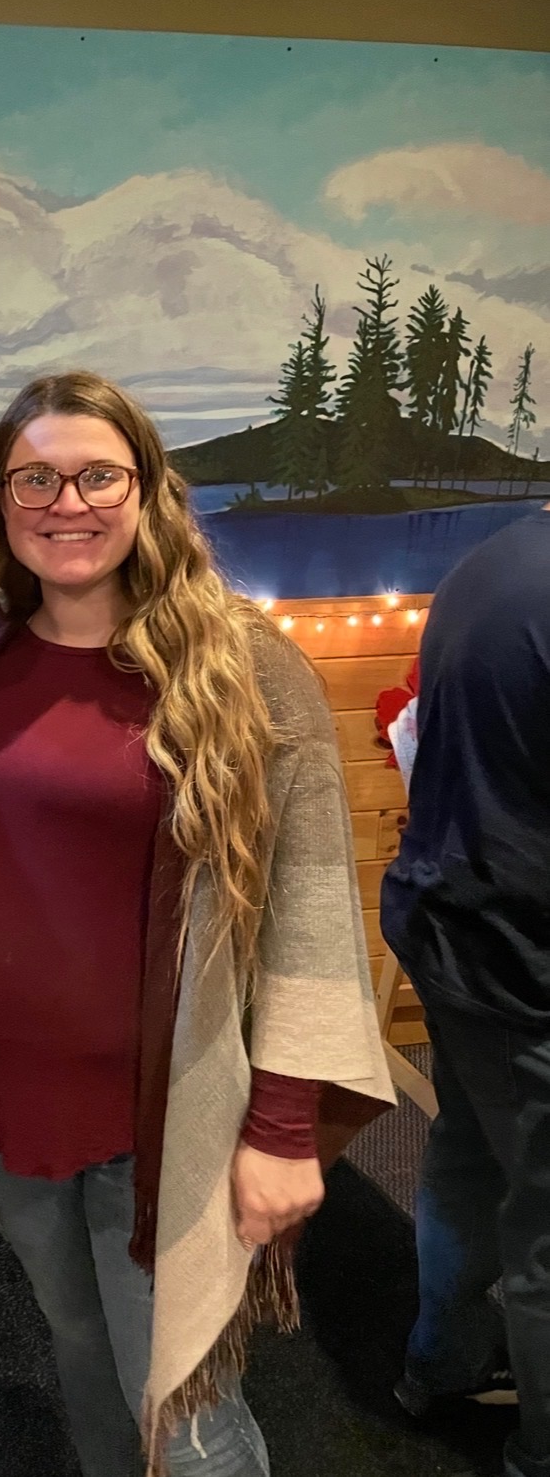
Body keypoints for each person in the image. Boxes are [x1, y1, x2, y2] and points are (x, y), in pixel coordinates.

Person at [0, 371, 393, 1476]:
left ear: (147, 490)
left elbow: (309, 910)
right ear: (0, 499)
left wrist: (283, 1126)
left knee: (184, 1407)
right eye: (35, 479)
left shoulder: (243, 667)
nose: (67, 503)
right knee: (84, 1355)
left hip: (171, 1104)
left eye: (99, 475)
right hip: (11, 1104)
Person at [381, 504, 550, 1477]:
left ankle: (439, 1365)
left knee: (470, 1155)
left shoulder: (495, 562)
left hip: (452, 929)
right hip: (523, 962)